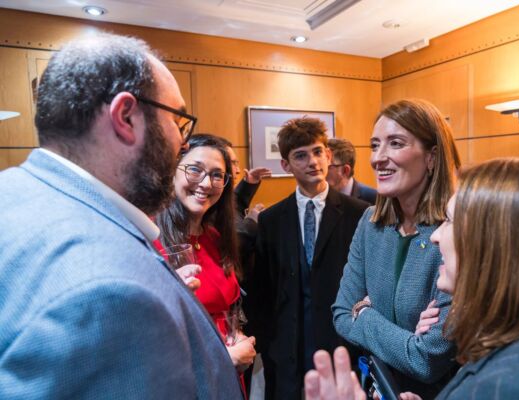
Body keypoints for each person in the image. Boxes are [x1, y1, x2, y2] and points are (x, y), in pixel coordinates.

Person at [0, 33, 242, 398]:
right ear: (126, 117)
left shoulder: (12, 193)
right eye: (178, 122)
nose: (182, 142)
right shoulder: (114, 292)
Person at [306, 157, 519, 400]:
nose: (435, 236)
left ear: (499, 247)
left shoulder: (510, 385)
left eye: (448, 221)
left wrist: (365, 313)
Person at [332, 99, 461, 398]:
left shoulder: (454, 232)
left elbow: (427, 360)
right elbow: (340, 313)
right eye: (375, 145)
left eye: (396, 143)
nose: (378, 158)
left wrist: (364, 314)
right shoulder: (370, 222)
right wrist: (407, 342)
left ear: (431, 157)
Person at [246, 116, 369, 399]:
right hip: (287, 346)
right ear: (286, 165)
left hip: (342, 342)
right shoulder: (271, 219)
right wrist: (267, 343)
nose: (312, 161)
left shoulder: (359, 213)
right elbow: (261, 290)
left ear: (328, 155)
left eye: (317, 152)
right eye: (301, 156)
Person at [154, 134, 256, 397]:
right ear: (173, 171)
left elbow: (226, 309)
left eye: (217, 175)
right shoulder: (151, 240)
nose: (206, 183)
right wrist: (223, 357)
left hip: (227, 378)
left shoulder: (216, 237)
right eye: (195, 170)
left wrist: (236, 336)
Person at [326, 137, 377, 204]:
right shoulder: (318, 197)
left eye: (327, 166)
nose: (321, 170)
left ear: (345, 171)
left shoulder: (374, 198)